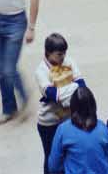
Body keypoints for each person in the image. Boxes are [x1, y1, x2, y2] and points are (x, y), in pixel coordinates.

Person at [35, 33, 86, 170]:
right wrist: (73, 87)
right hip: (49, 122)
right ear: (48, 53)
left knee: (69, 155)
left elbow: (82, 86)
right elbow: (52, 95)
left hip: (69, 119)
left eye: (64, 53)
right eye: (59, 54)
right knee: (51, 157)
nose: (63, 57)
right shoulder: (41, 71)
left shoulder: (68, 61)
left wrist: (65, 90)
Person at [45, 84, 108, 174]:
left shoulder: (63, 130)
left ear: (72, 107)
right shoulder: (103, 128)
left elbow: (53, 167)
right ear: (93, 106)